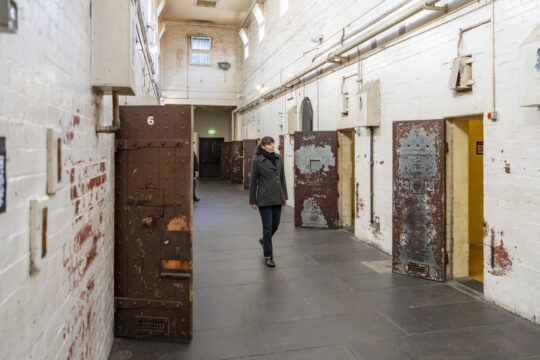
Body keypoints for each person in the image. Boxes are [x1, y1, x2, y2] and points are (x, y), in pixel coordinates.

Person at [249, 136, 287, 268]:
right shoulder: (257, 160)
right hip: (264, 198)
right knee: (267, 227)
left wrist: (284, 197)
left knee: (275, 225)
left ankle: (264, 240)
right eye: (268, 144)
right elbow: (253, 181)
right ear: (263, 147)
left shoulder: (278, 158)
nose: (272, 146)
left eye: (273, 143)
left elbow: (282, 179)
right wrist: (253, 200)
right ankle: (268, 256)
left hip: (277, 197)